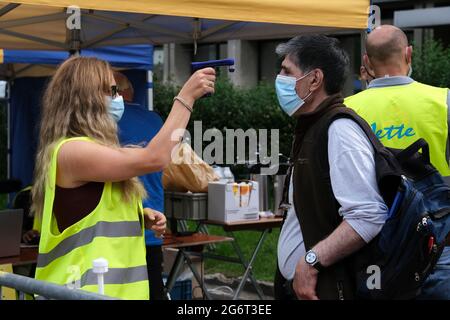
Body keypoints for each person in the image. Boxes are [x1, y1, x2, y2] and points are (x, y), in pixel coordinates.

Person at [31, 56, 215, 300]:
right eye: (111, 91)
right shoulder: (70, 151)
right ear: (85, 98)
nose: (118, 99)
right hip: (80, 291)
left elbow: (93, 210)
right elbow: (154, 158)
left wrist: (138, 215)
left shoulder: (96, 149)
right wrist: (186, 98)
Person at [274, 35, 388, 300]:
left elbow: (368, 215)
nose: (279, 79)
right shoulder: (313, 126)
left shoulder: (339, 129)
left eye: (286, 71)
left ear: (314, 80)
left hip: (325, 287)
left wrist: (311, 261)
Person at [345, 25, 450, 299]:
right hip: (438, 242)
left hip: (375, 244)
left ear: (366, 61)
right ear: (409, 53)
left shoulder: (346, 110)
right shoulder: (444, 101)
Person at [115, 71, 167, 300]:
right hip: (154, 221)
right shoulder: (155, 120)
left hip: (118, 227)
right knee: (153, 288)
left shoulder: (104, 123)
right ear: (132, 92)